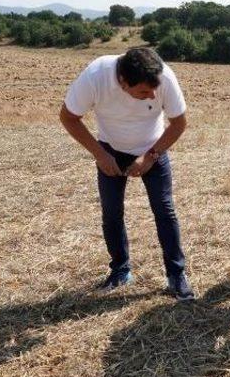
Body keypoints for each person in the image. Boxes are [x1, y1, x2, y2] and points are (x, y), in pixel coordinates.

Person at [59, 47, 194, 301]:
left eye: (154, 89)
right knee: (111, 212)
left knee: (164, 209)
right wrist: (100, 154)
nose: (153, 95)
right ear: (122, 82)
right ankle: (120, 270)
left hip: (154, 148)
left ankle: (176, 275)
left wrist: (151, 156)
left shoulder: (163, 77)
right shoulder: (95, 76)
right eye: (144, 91)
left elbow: (179, 123)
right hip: (110, 149)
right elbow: (68, 117)